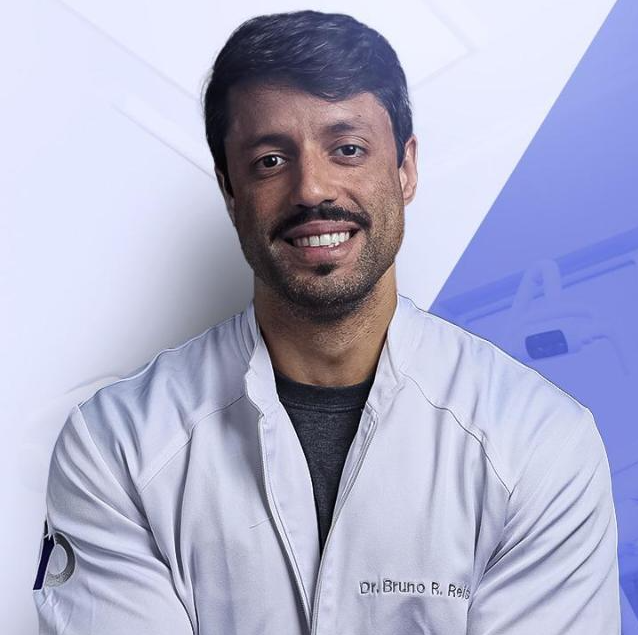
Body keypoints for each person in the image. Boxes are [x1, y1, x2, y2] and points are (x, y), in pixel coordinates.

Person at [33, 10, 620, 635]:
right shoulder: (116, 445)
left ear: (406, 169)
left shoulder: (538, 441)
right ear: (229, 191)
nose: (312, 188)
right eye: (269, 160)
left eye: (348, 149)